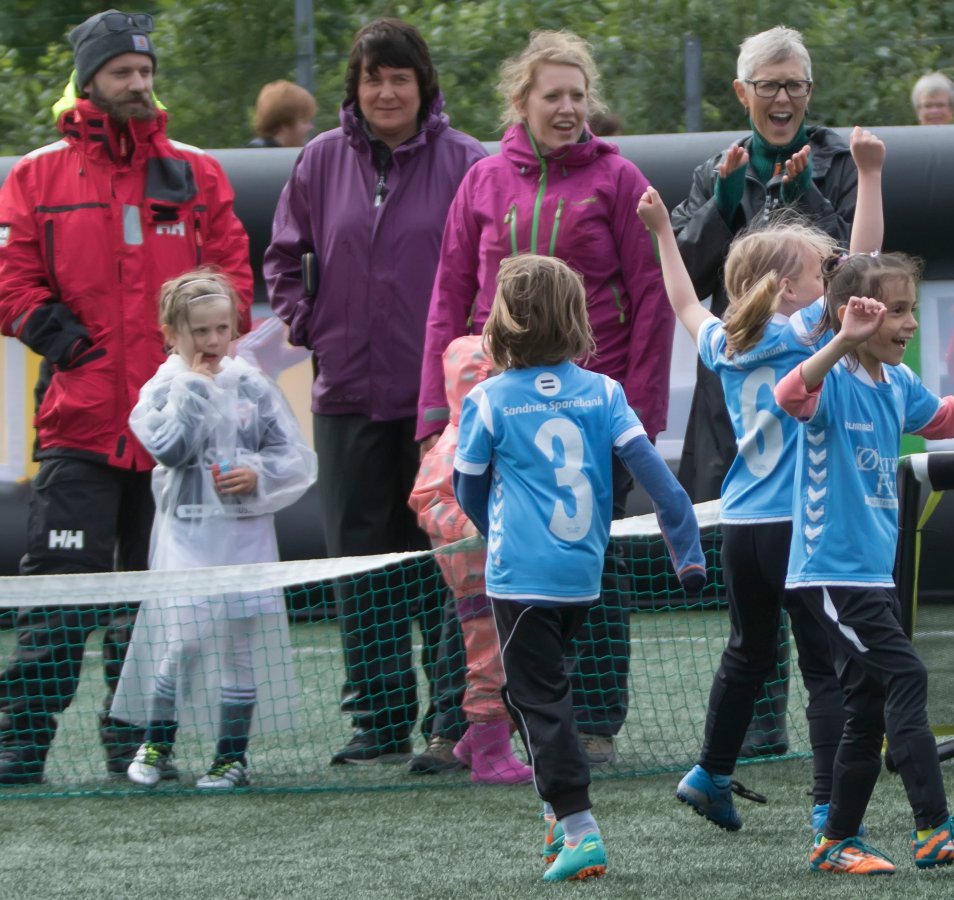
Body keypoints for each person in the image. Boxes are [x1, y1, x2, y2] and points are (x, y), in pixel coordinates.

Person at [0, 9, 253, 786]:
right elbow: (10, 280)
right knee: (60, 596)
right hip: (78, 423)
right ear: (91, 81)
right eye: (123, 72)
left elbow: (235, 279)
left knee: (157, 605)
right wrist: (68, 343)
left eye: (146, 71)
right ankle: (19, 746)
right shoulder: (36, 175)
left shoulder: (196, 173)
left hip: (177, 434)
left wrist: (204, 355)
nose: (139, 83)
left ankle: (136, 747)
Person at [419, 30, 671, 767]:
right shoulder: (482, 180)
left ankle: (591, 721)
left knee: (596, 563)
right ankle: (460, 721)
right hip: (494, 407)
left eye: (577, 95)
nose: (567, 108)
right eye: (552, 95)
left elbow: (652, 302)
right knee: (472, 555)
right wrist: (437, 412)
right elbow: (449, 298)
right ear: (521, 101)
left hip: (590, 413)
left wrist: (640, 418)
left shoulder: (619, 180)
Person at [637, 125, 884, 835]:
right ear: (787, 289)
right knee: (825, 667)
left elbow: (684, 303)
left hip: (742, 522)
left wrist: (662, 232)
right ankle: (827, 805)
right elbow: (866, 260)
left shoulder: (727, 340)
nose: (829, 279)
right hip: (802, 523)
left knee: (747, 652)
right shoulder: (799, 332)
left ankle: (709, 772)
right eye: (818, 274)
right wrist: (869, 175)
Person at [264, 17, 485, 773]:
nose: (387, 92)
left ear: (424, 86)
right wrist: (313, 327)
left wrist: (468, 362)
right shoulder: (320, 159)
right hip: (347, 396)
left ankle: (454, 719)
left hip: (443, 404)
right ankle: (379, 720)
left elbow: (493, 267)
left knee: (451, 559)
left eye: (400, 78)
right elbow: (283, 258)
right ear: (355, 89)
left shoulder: (466, 161)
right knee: (362, 567)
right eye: (373, 79)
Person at [774, 253, 954, 875]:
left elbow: (949, 417)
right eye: (896, 311)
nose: (910, 323)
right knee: (907, 676)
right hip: (831, 572)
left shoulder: (896, 383)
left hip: (872, 575)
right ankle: (934, 829)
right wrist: (843, 340)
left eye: (911, 309)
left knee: (867, 711)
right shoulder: (831, 377)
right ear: (853, 316)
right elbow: (790, 394)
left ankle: (836, 842)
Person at [452, 254, 707, 882]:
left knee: (538, 699)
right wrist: (689, 555)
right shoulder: (605, 392)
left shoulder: (488, 399)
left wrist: (497, 531)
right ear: (575, 319)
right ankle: (554, 814)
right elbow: (664, 488)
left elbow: (466, 488)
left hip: (519, 577)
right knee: (533, 692)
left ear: (502, 322)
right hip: (582, 577)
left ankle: (579, 829)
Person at [671, 24, 860, 755]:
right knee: (752, 560)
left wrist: (807, 195)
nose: (783, 99)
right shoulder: (717, 168)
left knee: (815, 576)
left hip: (822, 386)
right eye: (769, 85)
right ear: (742, 93)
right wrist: (721, 201)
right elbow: (689, 273)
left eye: (795, 85)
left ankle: (842, 715)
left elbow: (856, 267)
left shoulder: (837, 160)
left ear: (810, 91)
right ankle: (759, 720)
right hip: (742, 395)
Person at [112, 270, 315, 791]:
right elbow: (170, 449)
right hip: (187, 536)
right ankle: (157, 744)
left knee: (238, 650)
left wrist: (257, 475)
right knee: (183, 641)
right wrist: (194, 390)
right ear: (171, 333)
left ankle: (230, 758)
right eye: (199, 331)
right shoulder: (161, 388)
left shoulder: (252, 384)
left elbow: (292, 455)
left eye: (222, 328)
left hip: (245, 535)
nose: (213, 340)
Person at [407, 334, 534, 788]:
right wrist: (470, 527)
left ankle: (475, 742)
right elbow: (429, 502)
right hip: (476, 578)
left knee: (517, 656)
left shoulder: (499, 434)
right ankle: (490, 753)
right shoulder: (454, 445)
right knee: (489, 662)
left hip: (510, 572)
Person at [248, 80, 317, 148]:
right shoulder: (258, 153)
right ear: (284, 125)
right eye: (305, 121)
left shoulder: (255, 152)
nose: (311, 127)